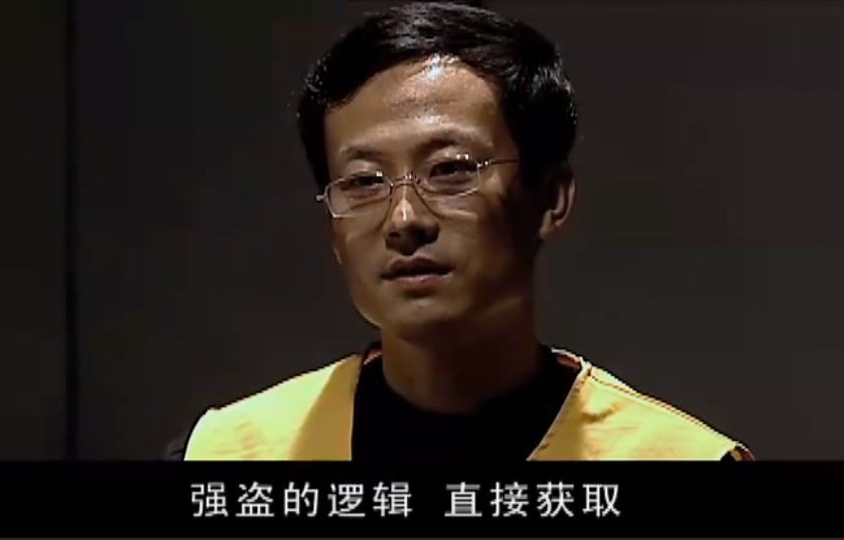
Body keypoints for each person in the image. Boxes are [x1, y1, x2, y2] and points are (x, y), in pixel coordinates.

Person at [179, 1, 751, 462]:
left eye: (450, 170)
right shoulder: (232, 453)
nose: (404, 219)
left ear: (551, 197)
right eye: (363, 182)